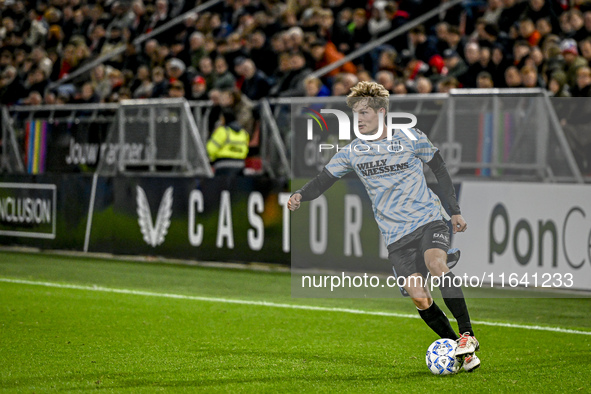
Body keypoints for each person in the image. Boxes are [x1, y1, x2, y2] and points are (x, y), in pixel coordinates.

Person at [287, 81, 481, 372]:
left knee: (436, 264)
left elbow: (439, 168)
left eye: (365, 112)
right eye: (356, 114)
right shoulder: (352, 151)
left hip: (429, 219)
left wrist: (454, 210)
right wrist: (300, 194)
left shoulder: (409, 137)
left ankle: (467, 334)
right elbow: (324, 180)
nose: (359, 119)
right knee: (419, 297)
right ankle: (462, 351)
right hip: (396, 235)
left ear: (381, 112)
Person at [206, 108, 250, 177]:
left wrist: (211, 159)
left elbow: (211, 149)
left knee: (222, 187)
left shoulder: (222, 131)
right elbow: (245, 150)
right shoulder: (243, 133)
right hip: (240, 164)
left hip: (223, 164)